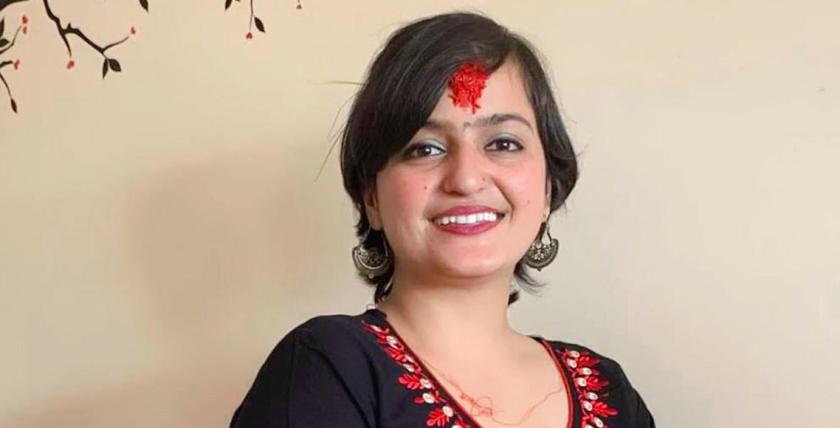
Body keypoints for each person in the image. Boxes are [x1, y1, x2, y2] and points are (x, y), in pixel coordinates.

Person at [230, 11, 655, 428]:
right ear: (371, 198)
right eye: (425, 149)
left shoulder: (609, 390)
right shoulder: (329, 368)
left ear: (547, 189)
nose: (466, 179)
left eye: (503, 143)